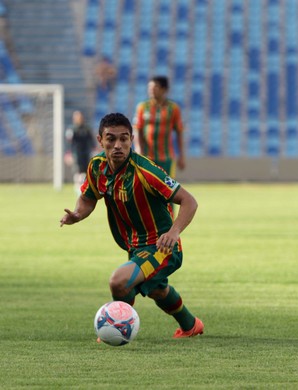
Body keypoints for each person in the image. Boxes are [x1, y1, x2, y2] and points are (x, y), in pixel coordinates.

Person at [60, 112, 203, 340]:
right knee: (156, 289)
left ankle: (118, 326)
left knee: (119, 282)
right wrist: (78, 214)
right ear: (100, 140)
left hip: (163, 247)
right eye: (111, 139)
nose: (118, 145)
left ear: (131, 139)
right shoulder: (97, 167)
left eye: (124, 139)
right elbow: (88, 198)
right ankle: (191, 325)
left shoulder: (146, 171)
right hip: (135, 246)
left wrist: (174, 232)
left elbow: (189, 201)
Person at [133, 75, 186, 178]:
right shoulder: (143, 107)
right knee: (147, 188)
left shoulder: (173, 108)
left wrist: (181, 156)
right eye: (149, 87)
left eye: (155, 87)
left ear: (164, 89)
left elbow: (179, 132)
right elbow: (137, 130)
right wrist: (138, 149)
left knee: (168, 189)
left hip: (166, 158)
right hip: (147, 157)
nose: (151, 90)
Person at [65, 110, 96, 195]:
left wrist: (94, 150)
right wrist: (68, 154)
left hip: (86, 153)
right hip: (76, 153)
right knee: (77, 170)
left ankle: (83, 187)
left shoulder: (87, 128)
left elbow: (92, 141)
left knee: (86, 171)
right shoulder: (71, 130)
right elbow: (69, 143)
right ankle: (77, 188)